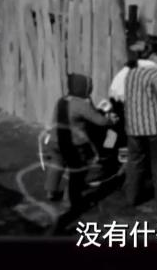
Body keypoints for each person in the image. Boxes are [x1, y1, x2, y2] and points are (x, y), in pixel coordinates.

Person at [43, 74, 117, 208]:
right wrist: (111, 120)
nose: (90, 90)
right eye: (89, 88)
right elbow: (100, 121)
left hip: (54, 140)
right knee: (77, 172)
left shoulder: (62, 100)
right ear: (82, 88)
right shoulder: (81, 105)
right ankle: (71, 199)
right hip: (72, 144)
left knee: (56, 165)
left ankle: (51, 192)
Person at [123, 40, 157, 209]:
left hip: (134, 125)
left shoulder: (131, 73)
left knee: (135, 161)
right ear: (155, 56)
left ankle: (131, 198)